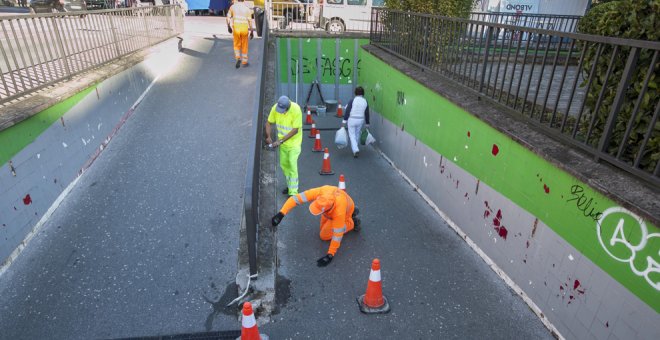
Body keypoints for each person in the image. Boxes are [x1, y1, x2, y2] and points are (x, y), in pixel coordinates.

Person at [271, 185, 361, 267]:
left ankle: (351, 222)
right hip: (332, 210)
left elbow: (338, 234)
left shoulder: (339, 212)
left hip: (345, 211)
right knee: (322, 229)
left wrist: (330, 254)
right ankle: (349, 213)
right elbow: (296, 198)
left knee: (324, 235)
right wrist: (281, 213)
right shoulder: (322, 192)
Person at [265, 96, 303, 196]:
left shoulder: (296, 109)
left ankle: (293, 193)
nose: (280, 112)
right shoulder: (275, 108)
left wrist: (280, 141)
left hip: (294, 143)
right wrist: (268, 136)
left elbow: (295, 130)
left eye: (283, 110)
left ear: (288, 107)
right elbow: (269, 123)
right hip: (283, 144)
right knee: (284, 165)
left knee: (292, 164)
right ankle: (290, 186)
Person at [341, 86, 370, 158]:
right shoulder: (365, 101)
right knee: (357, 134)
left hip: (352, 119)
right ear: (363, 93)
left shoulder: (352, 100)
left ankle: (355, 149)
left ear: (355, 93)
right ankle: (355, 147)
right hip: (360, 120)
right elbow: (367, 112)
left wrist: (344, 121)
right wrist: (367, 123)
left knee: (352, 135)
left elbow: (347, 110)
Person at [227, 0, 254, 68]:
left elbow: (228, 18)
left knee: (236, 44)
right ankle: (244, 62)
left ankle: (238, 58)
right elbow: (250, 21)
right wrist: (252, 31)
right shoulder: (247, 9)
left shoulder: (232, 7)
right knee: (244, 45)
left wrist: (228, 26)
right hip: (244, 29)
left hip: (236, 28)